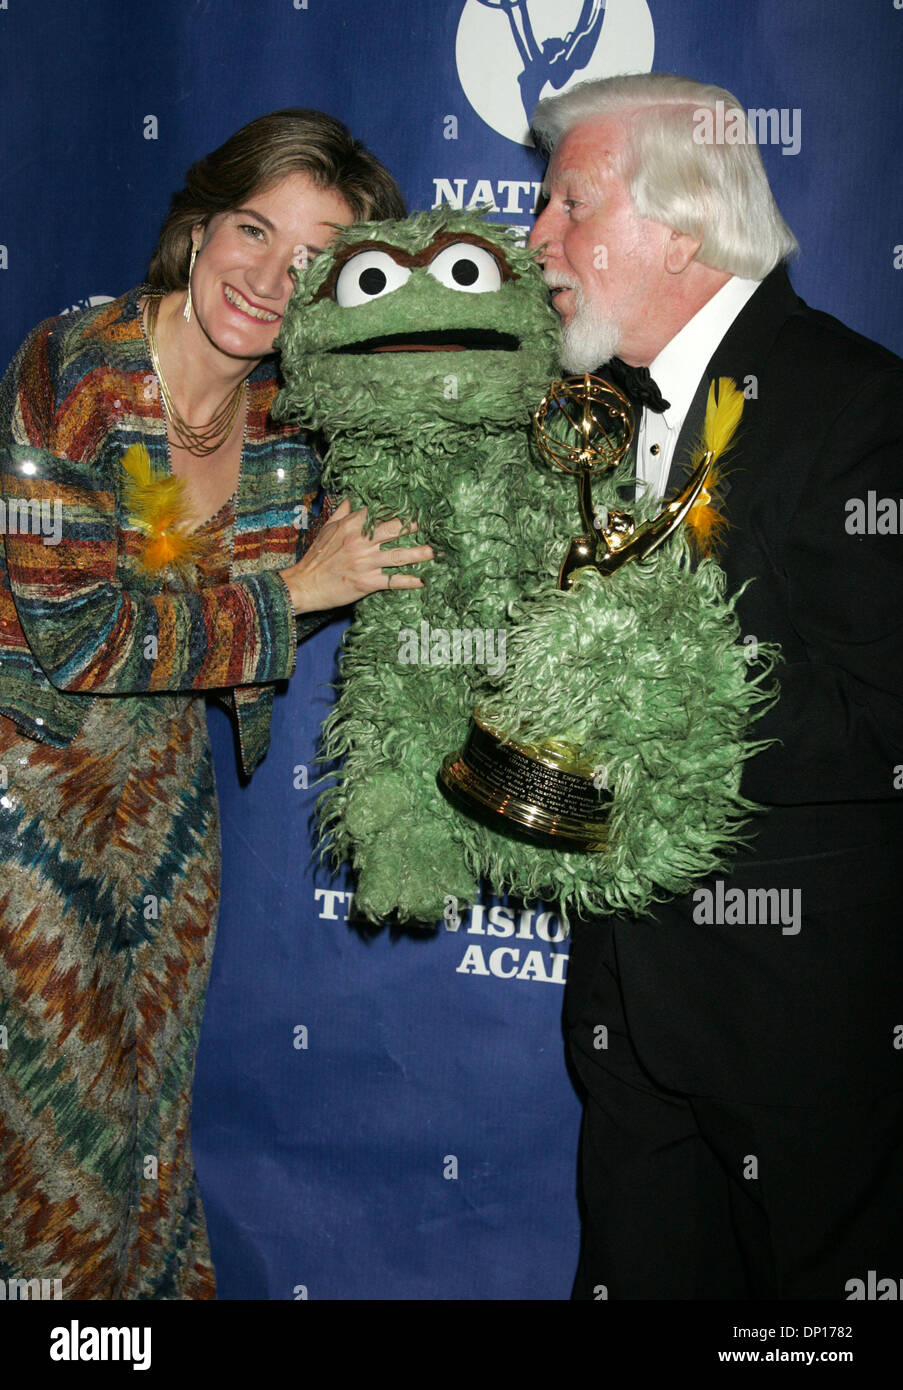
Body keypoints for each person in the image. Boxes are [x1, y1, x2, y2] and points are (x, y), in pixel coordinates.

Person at [0, 108, 432, 1300]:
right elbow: (79, 634)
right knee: (54, 1154)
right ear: (198, 231)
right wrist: (297, 591)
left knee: (149, 1128)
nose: (270, 277)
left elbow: (298, 586)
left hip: (164, 805)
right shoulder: (76, 366)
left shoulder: (291, 413)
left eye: (313, 261)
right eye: (254, 230)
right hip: (24, 796)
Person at [528, 73, 903, 1299]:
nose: (536, 234)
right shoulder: (584, 411)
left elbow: (885, 716)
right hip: (628, 1004)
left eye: (570, 202)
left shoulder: (860, 407)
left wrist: (656, 696)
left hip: (797, 1026)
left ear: (682, 227)